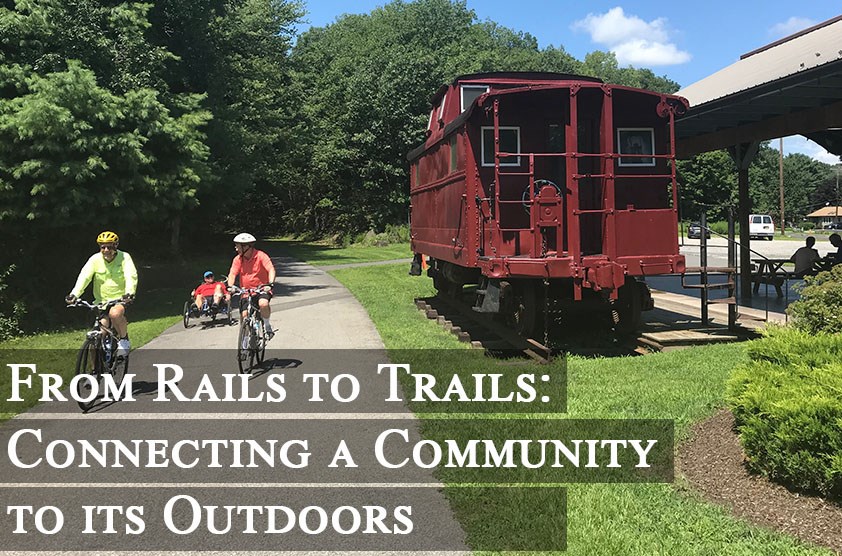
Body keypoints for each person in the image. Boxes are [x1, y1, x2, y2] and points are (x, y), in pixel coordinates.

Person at [65, 231, 138, 358]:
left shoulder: (124, 257)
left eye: (109, 247)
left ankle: (124, 339)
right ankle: (94, 372)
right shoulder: (94, 259)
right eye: (102, 247)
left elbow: (131, 276)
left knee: (114, 314)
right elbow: (85, 277)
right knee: (95, 339)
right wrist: (74, 294)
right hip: (101, 302)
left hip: (120, 299)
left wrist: (129, 293)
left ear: (115, 246)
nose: (105, 250)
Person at [227, 233, 276, 339]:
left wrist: (270, 283)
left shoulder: (261, 256)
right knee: (244, 316)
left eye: (238, 246)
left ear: (246, 246)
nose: (236, 249)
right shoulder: (238, 259)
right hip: (246, 291)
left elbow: (271, 269)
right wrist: (230, 286)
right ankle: (246, 339)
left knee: (263, 304)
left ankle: (267, 326)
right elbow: (232, 273)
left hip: (262, 289)